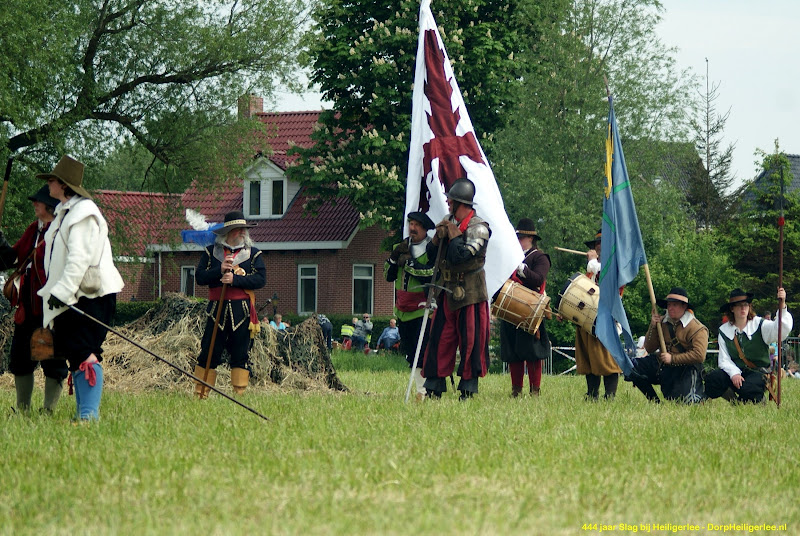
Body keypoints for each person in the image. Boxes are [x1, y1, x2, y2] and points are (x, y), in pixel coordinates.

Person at [36, 155, 124, 421]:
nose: (48, 183)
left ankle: (88, 415)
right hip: (75, 295)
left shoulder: (84, 214)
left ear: (63, 184)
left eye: (51, 179)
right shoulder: (67, 212)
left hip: (90, 296)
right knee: (75, 351)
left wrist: (61, 293)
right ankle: (84, 414)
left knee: (85, 351)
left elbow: (78, 259)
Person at [0, 185, 68, 414]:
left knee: (52, 362)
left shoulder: (60, 231)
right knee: (20, 360)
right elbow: (13, 258)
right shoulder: (32, 229)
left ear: (50, 205)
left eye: (38, 201)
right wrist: (1, 243)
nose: (34, 204)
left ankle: (48, 410)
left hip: (50, 308)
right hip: (27, 309)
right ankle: (23, 409)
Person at [423, 178, 491, 400]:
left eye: (451, 201)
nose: (449, 205)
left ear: (460, 203)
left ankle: (468, 388)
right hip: (447, 289)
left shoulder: (479, 227)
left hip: (470, 292)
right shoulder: (447, 222)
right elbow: (430, 258)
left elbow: (462, 256)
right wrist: (435, 240)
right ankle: (434, 384)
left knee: (471, 341)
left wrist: (453, 236)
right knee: (440, 338)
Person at [194, 211, 266, 397]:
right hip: (215, 310)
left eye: (243, 229)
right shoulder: (211, 252)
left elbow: (260, 280)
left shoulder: (254, 254)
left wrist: (235, 280)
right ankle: (201, 393)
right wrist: (219, 270)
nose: (241, 232)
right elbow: (200, 278)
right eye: (236, 229)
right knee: (209, 352)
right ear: (227, 232)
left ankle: (239, 393)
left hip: (241, 312)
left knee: (241, 353)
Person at [705, 288, 793, 404]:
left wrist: (782, 305)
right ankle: (735, 402)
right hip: (736, 372)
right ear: (732, 308)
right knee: (713, 379)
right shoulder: (724, 331)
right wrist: (734, 373)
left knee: (748, 389)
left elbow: (781, 330)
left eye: (745, 305)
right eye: (739, 305)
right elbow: (724, 359)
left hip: (758, 373)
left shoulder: (760, 324)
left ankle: (757, 399)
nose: (743, 308)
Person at [383, 210, 435, 399]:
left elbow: (430, 273)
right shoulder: (400, 246)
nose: (412, 228)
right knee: (410, 352)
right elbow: (387, 275)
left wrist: (410, 264)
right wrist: (393, 258)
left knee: (422, 352)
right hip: (402, 309)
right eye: (410, 224)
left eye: (416, 225)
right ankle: (420, 389)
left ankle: (423, 391)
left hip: (423, 308)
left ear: (424, 228)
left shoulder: (431, 248)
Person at [627, 288, 708, 404]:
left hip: (685, 369)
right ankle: (655, 402)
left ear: (684, 307)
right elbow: (649, 348)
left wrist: (673, 358)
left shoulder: (697, 328)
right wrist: (653, 326)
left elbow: (699, 356)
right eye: (669, 305)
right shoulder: (662, 323)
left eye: (674, 305)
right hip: (663, 365)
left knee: (687, 402)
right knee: (632, 367)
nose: (670, 308)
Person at [499, 218, 551, 397]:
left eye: (521, 237)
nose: (518, 241)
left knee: (532, 351)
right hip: (509, 306)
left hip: (530, 308)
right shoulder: (510, 256)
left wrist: (522, 268)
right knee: (513, 350)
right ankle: (516, 389)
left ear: (531, 239)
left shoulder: (540, 257)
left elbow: (538, 279)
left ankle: (535, 389)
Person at [574, 230, 621, 400]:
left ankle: (610, 395)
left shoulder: (614, 265)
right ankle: (592, 393)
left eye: (601, 245)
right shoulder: (591, 270)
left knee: (606, 359)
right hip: (587, 318)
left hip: (606, 317)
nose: (598, 248)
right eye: (596, 245)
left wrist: (593, 261)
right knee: (588, 358)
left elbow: (607, 281)